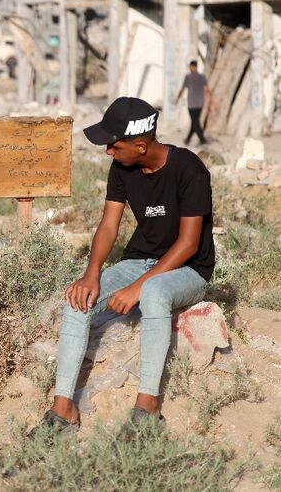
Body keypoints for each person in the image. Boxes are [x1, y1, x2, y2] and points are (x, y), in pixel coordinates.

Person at [31, 97, 215, 436]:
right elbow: (109, 224)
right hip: (137, 261)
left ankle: (148, 408)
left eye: (113, 145)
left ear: (141, 145)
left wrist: (138, 287)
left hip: (188, 269)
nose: (108, 152)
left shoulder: (189, 169)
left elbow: (189, 244)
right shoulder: (122, 167)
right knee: (78, 300)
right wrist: (92, 274)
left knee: (155, 293)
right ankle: (63, 410)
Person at [175, 60, 217, 146]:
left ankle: (203, 140)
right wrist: (212, 101)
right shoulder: (202, 77)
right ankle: (187, 139)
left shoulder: (188, 77)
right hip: (200, 104)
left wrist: (177, 99)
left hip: (192, 104)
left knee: (195, 122)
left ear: (191, 67)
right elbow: (208, 90)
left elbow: (182, 89)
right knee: (195, 122)